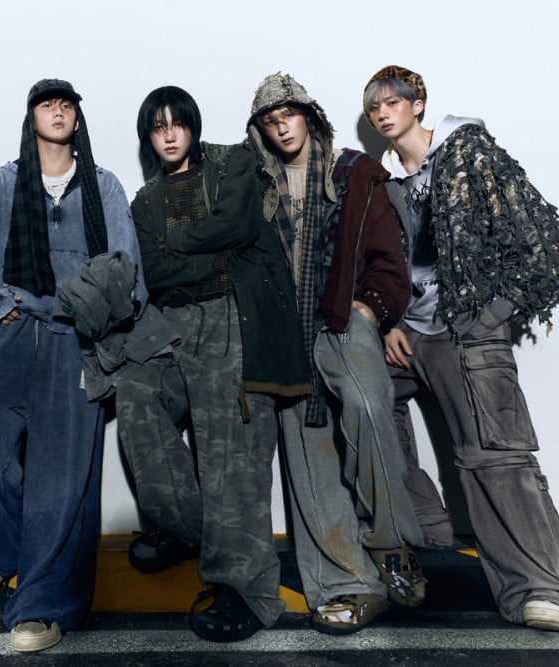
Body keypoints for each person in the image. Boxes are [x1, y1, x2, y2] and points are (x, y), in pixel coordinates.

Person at [363, 65, 559, 632]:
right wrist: (389, 323)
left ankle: (547, 590)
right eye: (373, 107)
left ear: (418, 104)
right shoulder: (384, 182)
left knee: (495, 456)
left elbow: (541, 248)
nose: (383, 113)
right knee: (361, 408)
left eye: (393, 101)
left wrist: (487, 317)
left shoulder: (469, 154)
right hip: (408, 333)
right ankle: (427, 529)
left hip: (466, 331)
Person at [0, 78, 147, 653]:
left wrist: (78, 310)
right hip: (13, 321)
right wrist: (1, 309)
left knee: (62, 459)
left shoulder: (104, 185)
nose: (57, 112)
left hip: (74, 332)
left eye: (66, 105)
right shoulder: (3, 183)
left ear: (77, 120)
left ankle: (44, 601)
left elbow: (126, 274)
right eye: (46, 104)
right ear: (31, 117)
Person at [116, 85, 311, 643]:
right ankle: (193, 530)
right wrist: (208, 255)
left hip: (231, 312)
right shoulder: (144, 201)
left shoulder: (231, 163)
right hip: (171, 320)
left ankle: (246, 591)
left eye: (178, 123)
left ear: (193, 126)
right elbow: (153, 271)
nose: (169, 135)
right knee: (136, 397)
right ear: (148, 137)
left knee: (229, 448)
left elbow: (239, 227)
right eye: (158, 128)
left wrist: (181, 246)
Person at [239, 72, 428, 635]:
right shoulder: (252, 186)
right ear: (261, 131)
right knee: (310, 457)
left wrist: (371, 309)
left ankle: (391, 542)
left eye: (289, 115)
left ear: (309, 117)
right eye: (270, 121)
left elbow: (389, 257)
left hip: (343, 319)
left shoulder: (355, 172)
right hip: (286, 336)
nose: (281, 127)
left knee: (369, 408)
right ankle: (349, 583)